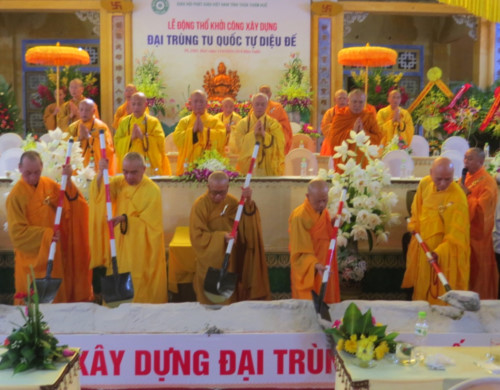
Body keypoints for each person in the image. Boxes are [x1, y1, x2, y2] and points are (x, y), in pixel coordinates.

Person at [6, 151, 92, 304]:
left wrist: (68, 181)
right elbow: (18, 234)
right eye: (28, 173)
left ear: (42, 167)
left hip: (54, 253)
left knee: (56, 298)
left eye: (36, 172)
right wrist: (47, 234)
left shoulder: (48, 184)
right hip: (31, 260)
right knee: (33, 307)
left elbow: (71, 203)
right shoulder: (15, 196)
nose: (33, 177)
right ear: (19, 168)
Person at [89, 152, 167, 303]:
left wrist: (125, 219)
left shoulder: (152, 191)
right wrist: (101, 173)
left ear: (144, 170)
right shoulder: (120, 183)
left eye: (133, 172)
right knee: (118, 275)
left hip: (140, 249)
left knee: (138, 283)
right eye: (125, 172)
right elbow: (101, 193)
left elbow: (152, 226)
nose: (129, 177)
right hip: (120, 244)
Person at [189, 171, 270, 304]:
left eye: (222, 192)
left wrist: (248, 201)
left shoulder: (232, 202)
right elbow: (197, 237)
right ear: (208, 187)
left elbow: (246, 228)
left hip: (230, 260)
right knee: (209, 304)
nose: (218, 197)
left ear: (227, 188)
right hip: (209, 262)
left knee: (228, 302)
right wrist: (222, 237)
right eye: (214, 192)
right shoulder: (200, 205)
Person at [402, 157, 470, 304]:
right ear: (431, 173)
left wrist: (439, 252)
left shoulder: (458, 197)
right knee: (422, 289)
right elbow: (417, 211)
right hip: (424, 248)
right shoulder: (425, 184)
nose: (443, 184)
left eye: (448, 179)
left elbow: (458, 233)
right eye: (439, 179)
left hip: (443, 254)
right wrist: (414, 226)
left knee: (439, 296)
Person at [289, 179, 340, 303]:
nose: (322, 204)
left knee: (327, 303)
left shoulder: (323, 212)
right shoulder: (299, 217)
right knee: (309, 307)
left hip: (325, 266)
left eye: (325, 200)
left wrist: (332, 225)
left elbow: (325, 237)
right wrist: (314, 265)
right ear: (308, 196)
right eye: (318, 201)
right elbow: (299, 252)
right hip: (310, 270)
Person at [460, 148, 499, 299]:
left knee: (478, 275)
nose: (465, 161)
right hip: (464, 234)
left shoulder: (488, 182)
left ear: (480, 162)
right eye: (465, 158)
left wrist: (467, 195)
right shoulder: (467, 177)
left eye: (469, 159)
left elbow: (483, 212)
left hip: (479, 238)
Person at [114, 92, 171, 175]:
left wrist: (143, 137)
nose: (136, 107)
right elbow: (117, 141)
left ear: (145, 105)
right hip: (130, 165)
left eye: (139, 104)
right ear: (130, 105)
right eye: (133, 104)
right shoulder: (124, 122)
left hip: (148, 164)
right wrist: (131, 138)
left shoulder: (153, 122)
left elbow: (160, 141)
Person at [173, 90, 226, 175]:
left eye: (201, 101)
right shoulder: (184, 122)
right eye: (196, 101)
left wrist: (204, 131)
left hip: (210, 165)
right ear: (190, 104)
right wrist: (192, 131)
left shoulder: (215, 121)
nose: (199, 104)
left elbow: (221, 137)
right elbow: (177, 139)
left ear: (206, 104)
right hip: (189, 163)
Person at [326, 89, 382, 167]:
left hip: (364, 161)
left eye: (361, 102)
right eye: (354, 101)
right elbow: (333, 140)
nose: (357, 105)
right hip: (345, 161)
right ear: (348, 101)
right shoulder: (340, 116)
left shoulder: (369, 117)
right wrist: (352, 132)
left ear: (365, 102)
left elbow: (378, 139)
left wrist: (364, 133)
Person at [234, 93, 285, 176]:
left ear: (267, 106)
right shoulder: (242, 123)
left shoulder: (273, 124)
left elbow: (280, 143)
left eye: (263, 104)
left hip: (268, 164)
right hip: (248, 164)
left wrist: (264, 134)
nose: (260, 107)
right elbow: (238, 144)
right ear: (252, 105)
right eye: (257, 104)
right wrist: (253, 134)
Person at [67, 98, 115, 175]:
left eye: (87, 110)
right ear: (78, 111)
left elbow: (108, 148)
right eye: (81, 110)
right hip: (76, 168)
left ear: (93, 111)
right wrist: (79, 139)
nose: (84, 113)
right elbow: (65, 147)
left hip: (94, 167)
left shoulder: (101, 127)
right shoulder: (73, 127)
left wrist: (89, 137)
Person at [259, 85, 293, 154]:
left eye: (267, 92)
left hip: (274, 139)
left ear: (270, 94)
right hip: (260, 140)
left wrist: (272, 126)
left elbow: (285, 125)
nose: (264, 94)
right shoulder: (255, 107)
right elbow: (250, 123)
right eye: (262, 92)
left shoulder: (277, 107)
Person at [319, 89, 348, 156]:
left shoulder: (351, 113)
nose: (342, 100)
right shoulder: (330, 112)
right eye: (340, 98)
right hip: (331, 143)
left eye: (344, 98)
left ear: (348, 100)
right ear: (335, 100)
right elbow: (325, 127)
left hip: (347, 142)